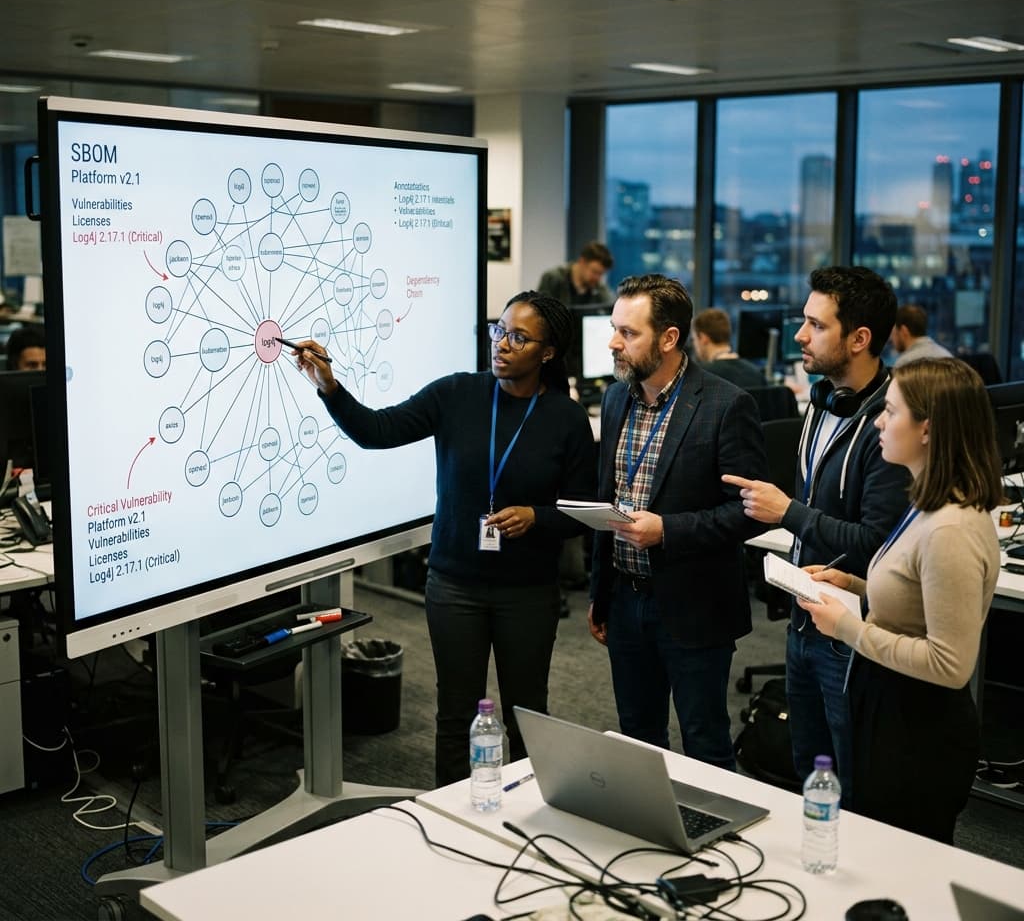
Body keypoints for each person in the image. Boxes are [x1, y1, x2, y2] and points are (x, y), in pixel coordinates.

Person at [291, 292, 597, 786]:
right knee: (456, 713)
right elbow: (376, 430)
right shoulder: (456, 394)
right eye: (500, 330)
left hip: (528, 592)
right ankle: (452, 811)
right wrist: (329, 385)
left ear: (547, 353)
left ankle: (527, 817)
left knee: (526, 715)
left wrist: (537, 517)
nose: (502, 344)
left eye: (519, 337)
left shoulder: (565, 418)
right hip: (455, 585)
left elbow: (581, 511)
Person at [722, 266, 909, 800]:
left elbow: (878, 541)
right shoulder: (824, 399)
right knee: (809, 771)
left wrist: (788, 513)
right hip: (806, 617)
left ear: (859, 338)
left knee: (851, 784)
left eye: (815, 325)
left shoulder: (887, 425)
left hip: (851, 632)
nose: (800, 335)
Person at [801, 357, 1002, 843]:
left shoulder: (948, 528)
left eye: (890, 412)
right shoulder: (927, 503)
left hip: (918, 728)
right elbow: (917, 597)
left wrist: (848, 628)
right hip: (892, 708)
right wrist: (853, 586)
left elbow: (950, 663)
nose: (877, 422)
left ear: (927, 429)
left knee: (903, 866)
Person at [588, 274, 768, 769]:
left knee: (705, 743)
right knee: (638, 737)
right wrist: (600, 595)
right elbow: (613, 496)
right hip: (626, 598)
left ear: (669, 338)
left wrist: (668, 530)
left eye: (628, 333)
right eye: (614, 329)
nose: (613, 342)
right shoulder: (615, 398)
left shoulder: (726, 405)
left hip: (694, 605)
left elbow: (749, 512)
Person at [691, 308, 766, 390]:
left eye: (693, 339)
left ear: (703, 338)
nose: (694, 345)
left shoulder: (699, 375)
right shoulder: (756, 374)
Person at [538, 241, 614, 307]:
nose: (598, 278)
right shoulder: (552, 279)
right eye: (594, 272)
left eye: (601, 274)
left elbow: (611, 307)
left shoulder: (599, 289)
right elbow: (540, 314)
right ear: (582, 262)